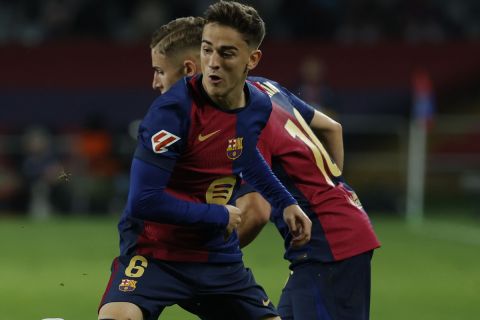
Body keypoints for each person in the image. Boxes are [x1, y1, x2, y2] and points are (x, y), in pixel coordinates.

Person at [143, 11, 380, 320]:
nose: (156, 83)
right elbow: (332, 127)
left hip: (330, 249)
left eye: (162, 72)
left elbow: (255, 212)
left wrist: (200, 262)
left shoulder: (239, 121)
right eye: (208, 49)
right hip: (329, 241)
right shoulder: (265, 87)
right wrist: (332, 194)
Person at [98, 2, 311, 320]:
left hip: (217, 259)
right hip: (156, 254)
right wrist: (217, 214)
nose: (212, 63)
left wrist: (286, 201)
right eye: (207, 51)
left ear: (252, 59)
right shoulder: (171, 112)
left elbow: (241, 153)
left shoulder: (258, 107)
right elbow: (143, 201)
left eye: (224, 54)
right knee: (119, 318)